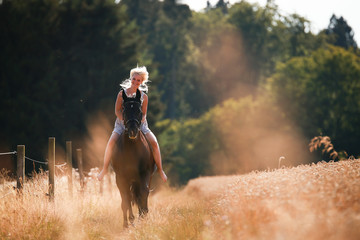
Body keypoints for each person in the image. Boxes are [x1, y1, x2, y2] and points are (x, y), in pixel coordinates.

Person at [97, 66, 167, 182]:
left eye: (138, 80)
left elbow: (144, 113)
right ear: (131, 79)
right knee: (111, 143)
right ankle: (104, 169)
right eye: (134, 79)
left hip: (140, 124)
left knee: (154, 143)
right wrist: (124, 122)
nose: (135, 82)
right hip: (122, 124)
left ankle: (160, 170)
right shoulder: (121, 94)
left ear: (142, 82)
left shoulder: (144, 97)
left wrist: (141, 121)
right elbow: (117, 111)